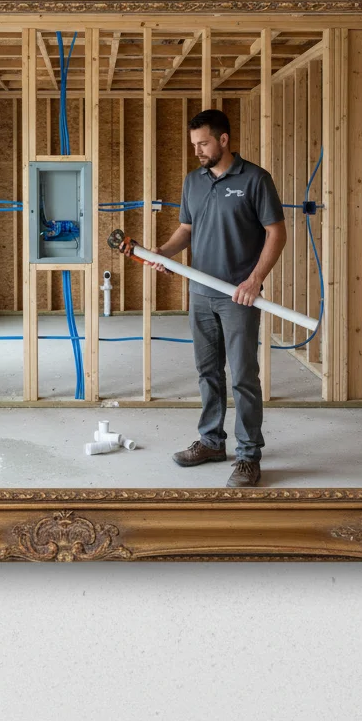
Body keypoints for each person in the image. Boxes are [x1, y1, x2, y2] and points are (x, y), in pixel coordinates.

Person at [149, 109, 286, 487]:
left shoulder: (256, 179)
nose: (198, 151)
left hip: (237, 297)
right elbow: (186, 229)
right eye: (194, 144)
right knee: (207, 373)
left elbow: (276, 233)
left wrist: (255, 280)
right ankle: (211, 441)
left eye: (204, 143)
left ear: (224, 140)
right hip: (201, 293)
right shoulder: (193, 181)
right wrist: (164, 252)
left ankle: (247, 456)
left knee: (242, 376)